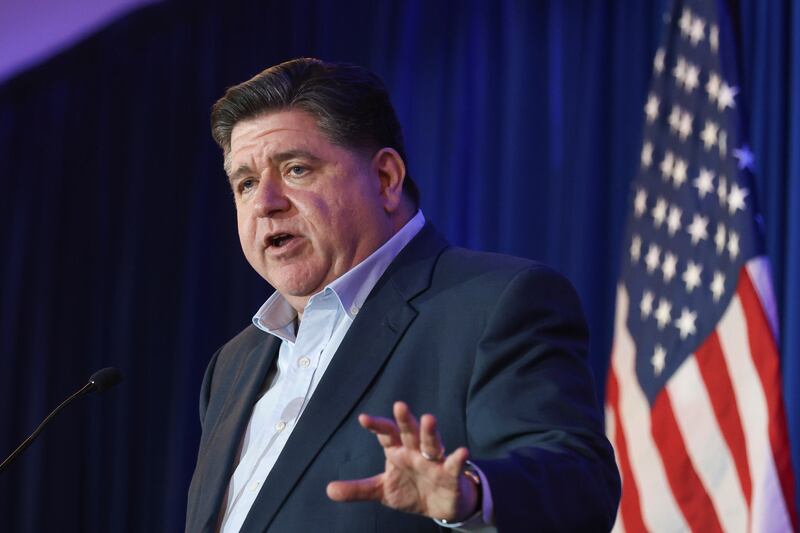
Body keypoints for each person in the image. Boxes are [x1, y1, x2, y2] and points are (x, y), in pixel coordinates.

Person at [185, 58, 620, 533]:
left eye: (295, 169)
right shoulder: (232, 365)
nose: (265, 202)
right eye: (245, 184)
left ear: (387, 179)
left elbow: (578, 485)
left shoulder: (495, 304)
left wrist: (473, 494)